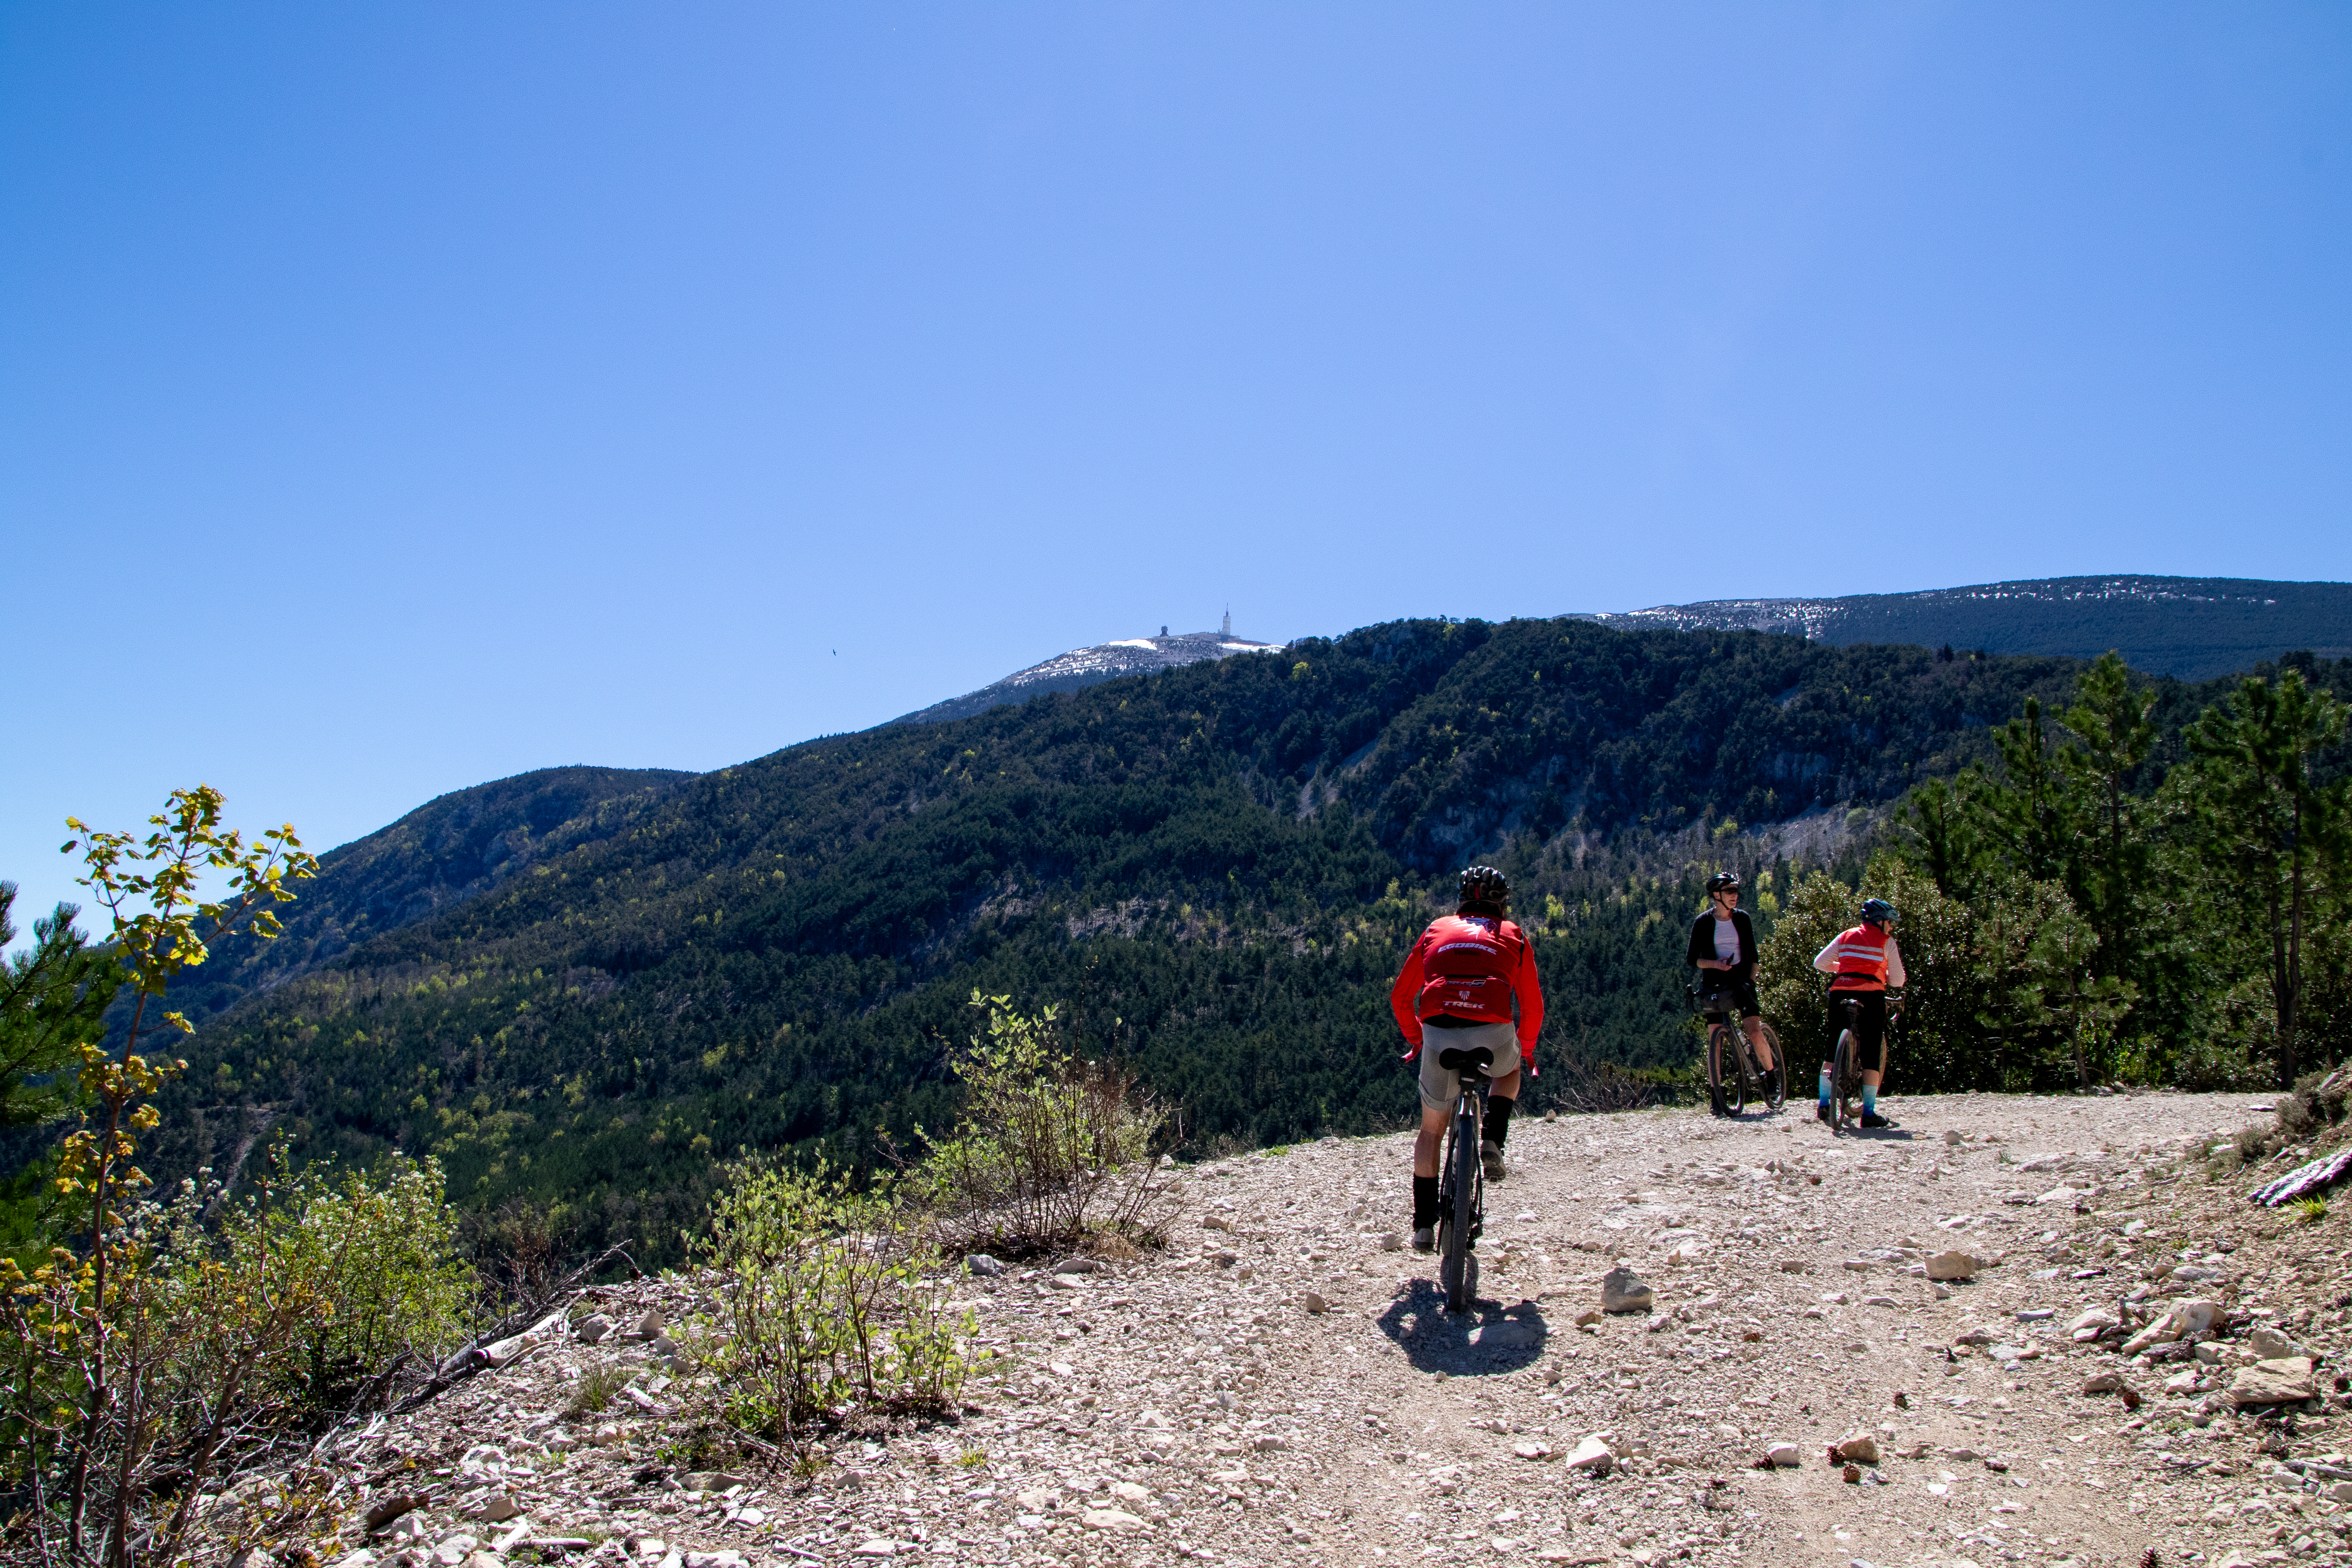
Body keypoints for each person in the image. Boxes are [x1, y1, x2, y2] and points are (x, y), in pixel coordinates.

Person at [1390, 866, 1545, 1254]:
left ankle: (1424, 1225)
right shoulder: (1514, 935)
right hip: (1493, 1030)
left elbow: (1400, 996)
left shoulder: (1436, 929)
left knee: (1430, 1131)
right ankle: (1493, 1138)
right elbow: (1533, 1005)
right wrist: (1526, 1050)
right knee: (1507, 1073)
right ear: (1503, 905)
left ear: (1461, 902)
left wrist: (1416, 1039)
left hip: (1439, 1032)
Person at [1686, 871, 1775, 1115]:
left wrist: (1751, 980)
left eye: (1736, 891)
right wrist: (1716, 965)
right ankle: (1716, 1095)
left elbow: (1753, 956)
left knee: (1754, 1031)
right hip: (1715, 984)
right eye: (1729, 892)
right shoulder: (1703, 922)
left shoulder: (1743, 919)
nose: (1735, 896)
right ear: (1717, 895)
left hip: (1742, 982)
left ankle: (1771, 1076)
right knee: (1714, 1038)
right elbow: (1694, 960)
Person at [1813, 897, 1905, 1128]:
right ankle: (1869, 1114)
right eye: (1889, 922)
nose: (1891, 927)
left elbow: (1819, 963)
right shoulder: (1887, 942)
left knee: (1832, 1046)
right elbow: (1899, 980)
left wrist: (1843, 967)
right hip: (1871, 996)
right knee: (1872, 1050)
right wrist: (1881, 975)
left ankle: (1824, 1105)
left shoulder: (1846, 936)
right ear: (1880, 922)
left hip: (1840, 992)